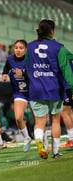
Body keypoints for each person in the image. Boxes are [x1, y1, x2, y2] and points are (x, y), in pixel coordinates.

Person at [26, 19, 73, 159]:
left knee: (39, 122)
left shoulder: (28, 47)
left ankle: (40, 141)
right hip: (54, 89)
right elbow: (66, 71)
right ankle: (56, 152)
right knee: (55, 121)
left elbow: (25, 67)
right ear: (52, 31)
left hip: (35, 89)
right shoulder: (59, 48)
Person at [2, 39, 32, 152]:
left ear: (25, 49)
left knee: (39, 119)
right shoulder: (10, 58)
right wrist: (4, 74)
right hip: (19, 92)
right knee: (18, 117)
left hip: (33, 92)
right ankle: (27, 138)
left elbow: (36, 76)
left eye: (21, 48)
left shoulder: (30, 59)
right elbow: (6, 67)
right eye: (16, 48)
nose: (18, 50)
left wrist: (23, 74)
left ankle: (42, 142)